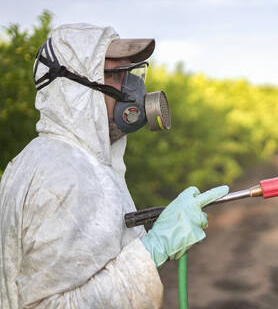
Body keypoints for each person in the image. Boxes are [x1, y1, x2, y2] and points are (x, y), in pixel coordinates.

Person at [0, 23, 228, 308]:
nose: (134, 88)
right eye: (118, 75)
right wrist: (152, 249)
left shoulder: (49, 159)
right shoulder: (65, 175)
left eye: (131, 73)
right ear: (75, 90)